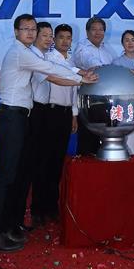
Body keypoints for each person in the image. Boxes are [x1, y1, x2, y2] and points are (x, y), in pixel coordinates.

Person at [0, 14, 97, 251]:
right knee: (6, 178)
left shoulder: (26, 53)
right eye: (26, 29)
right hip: (11, 117)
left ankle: (6, 227)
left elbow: (55, 70)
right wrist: (80, 79)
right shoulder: (20, 53)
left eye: (34, 29)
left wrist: (79, 77)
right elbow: (51, 69)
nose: (31, 33)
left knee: (14, 176)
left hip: (19, 117)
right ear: (16, 32)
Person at [11, 21, 55, 231]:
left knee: (44, 163)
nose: (49, 39)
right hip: (33, 112)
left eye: (50, 35)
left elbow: (59, 69)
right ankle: (22, 218)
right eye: (44, 34)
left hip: (45, 113)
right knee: (29, 166)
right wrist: (80, 78)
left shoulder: (44, 57)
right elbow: (54, 74)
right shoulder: (31, 57)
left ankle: (38, 211)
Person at [39, 23, 80, 219]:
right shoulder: (48, 58)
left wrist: (73, 115)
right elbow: (59, 78)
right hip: (50, 113)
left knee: (57, 161)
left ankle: (52, 207)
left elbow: (73, 92)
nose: (65, 40)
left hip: (65, 115)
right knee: (44, 161)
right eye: (61, 37)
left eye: (68, 37)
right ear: (54, 39)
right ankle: (40, 209)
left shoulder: (71, 61)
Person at [72, 16, 115, 155]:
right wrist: (103, 69)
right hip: (88, 102)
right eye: (94, 29)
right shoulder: (81, 48)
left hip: (105, 102)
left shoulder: (107, 52)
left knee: (102, 143)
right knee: (87, 143)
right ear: (87, 32)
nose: (98, 32)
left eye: (101, 29)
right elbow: (90, 61)